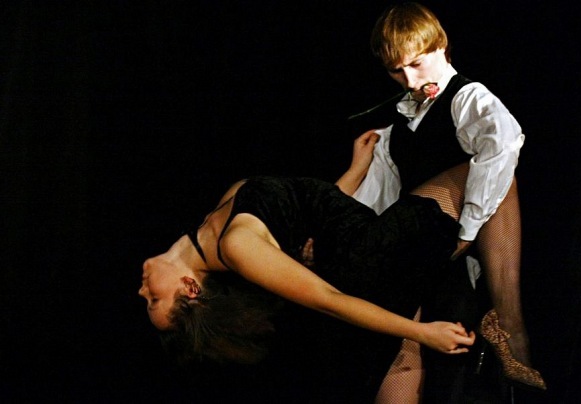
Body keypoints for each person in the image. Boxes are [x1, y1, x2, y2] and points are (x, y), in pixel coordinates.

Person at [139, 160, 478, 403]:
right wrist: (423, 332)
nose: (142, 290)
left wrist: (356, 169)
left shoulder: (217, 222)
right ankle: (504, 328)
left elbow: (304, 206)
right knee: (484, 172)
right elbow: (328, 299)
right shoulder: (235, 247)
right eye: (154, 299)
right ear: (191, 288)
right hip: (371, 256)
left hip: (362, 253)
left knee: (399, 361)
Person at [339, 1, 546, 394]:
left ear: (441, 47)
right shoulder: (393, 128)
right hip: (414, 244)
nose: (408, 79)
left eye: (416, 64)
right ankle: (508, 324)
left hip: (448, 248)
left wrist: (466, 231)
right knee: (400, 348)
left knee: (427, 357)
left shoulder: (468, 98)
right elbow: (378, 201)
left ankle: (507, 323)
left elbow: (502, 144)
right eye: (396, 70)